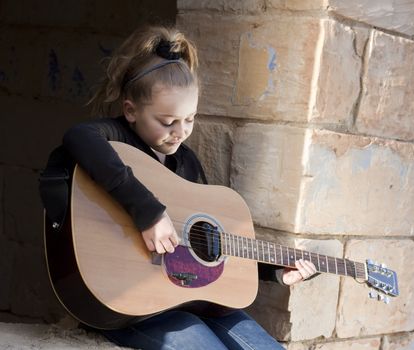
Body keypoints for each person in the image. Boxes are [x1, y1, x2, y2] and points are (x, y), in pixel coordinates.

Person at [41, 24, 317, 349]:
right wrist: (149, 213)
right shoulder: (115, 137)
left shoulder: (186, 164)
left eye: (190, 119)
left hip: (185, 298)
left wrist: (273, 273)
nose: (180, 132)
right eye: (167, 121)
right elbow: (78, 137)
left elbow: (203, 247)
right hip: (131, 304)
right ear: (131, 110)